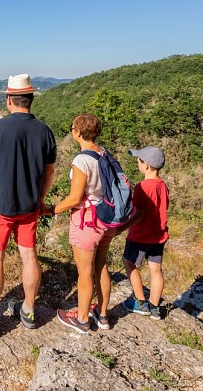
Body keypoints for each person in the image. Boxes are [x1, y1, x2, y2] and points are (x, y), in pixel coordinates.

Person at [0, 74, 56, 337]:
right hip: (29, 206)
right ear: (31, 99)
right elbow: (49, 172)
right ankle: (29, 311)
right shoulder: (44, 131)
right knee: (29, 256)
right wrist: (40, 199)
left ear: (9, 99)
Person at [47, 113, 118, 333]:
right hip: (107, 218)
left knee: (85, 272)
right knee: (101, 266)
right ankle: (103, 315)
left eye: (72, 128)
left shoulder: (82, 160)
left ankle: (82, 319)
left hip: (88, 221)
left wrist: (52, 210)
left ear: (77, 132)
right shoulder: (104, 153)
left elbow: (75, 198)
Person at [118, 146, 169, 320]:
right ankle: (155, 307)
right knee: (156, 269)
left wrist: (121, 228)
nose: (137, 164)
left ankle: (140, 302)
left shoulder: (142, 187)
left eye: (139, 161)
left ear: (146, 165)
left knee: (129, 262)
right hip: (158, 234)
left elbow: (139, 214)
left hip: (140, 235)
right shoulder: (162, 185)